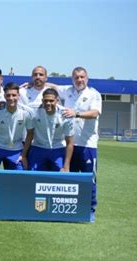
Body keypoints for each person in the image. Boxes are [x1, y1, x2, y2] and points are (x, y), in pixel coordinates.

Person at [56, 67, 102, 222]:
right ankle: (72, 209)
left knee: (89, 179)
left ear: (87, 78)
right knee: (70, 179)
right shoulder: (68, 90)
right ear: (72, 79)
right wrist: (29, 84)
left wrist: (76, 113)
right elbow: (51, 86)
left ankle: (90, 210)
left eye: (82, 77)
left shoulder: (93, 94)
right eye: (76, 77)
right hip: (69, 145)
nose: (79, 80)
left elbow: (95, 113)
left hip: (88, 145)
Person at [0, 82, 34, 170]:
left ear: (18, 96)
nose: (11, 98)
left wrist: (24, 155)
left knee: (19, 176)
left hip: (16, 149)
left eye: (14, 95)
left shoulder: (27, 112)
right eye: (8, 95)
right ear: (4, 96)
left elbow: (30, 133)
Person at [26, 88, 74, 172]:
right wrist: (2, 104)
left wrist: (66, 165)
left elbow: (70, 142)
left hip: (58, 149)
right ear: (42, 100)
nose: (48, 103)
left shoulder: (65, 115)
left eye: (51, 101)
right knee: (33, 177)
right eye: (46, 100)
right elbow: (16, 105)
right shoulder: (33, 109)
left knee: (60, 177)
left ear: (57, 100)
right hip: (38, 148)